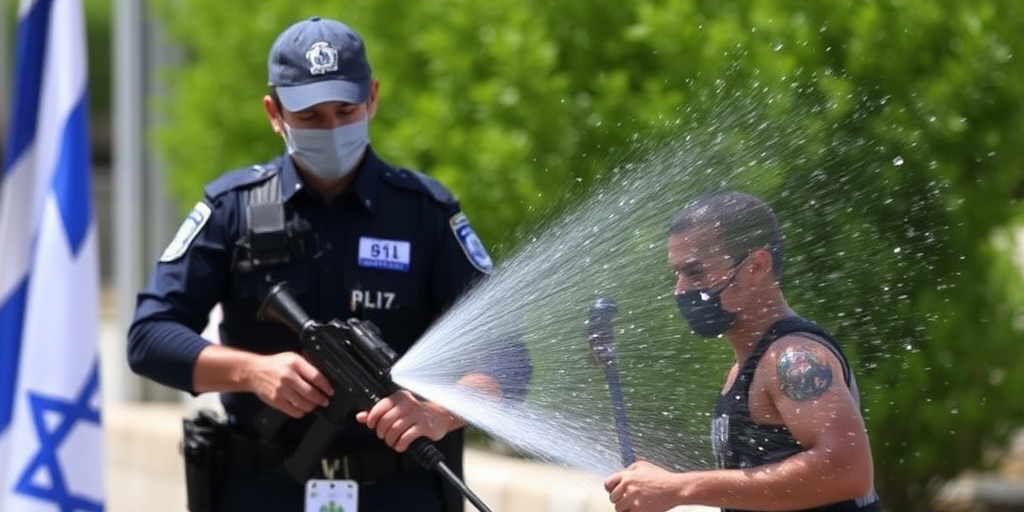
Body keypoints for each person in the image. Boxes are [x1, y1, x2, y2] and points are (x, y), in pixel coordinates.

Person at [128, 16, 528, 512]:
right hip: (261, 490)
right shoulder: (233, 208)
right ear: (274, 113)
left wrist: (435, 414)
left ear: (373, 98)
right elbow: (149, 338)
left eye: (345, 110)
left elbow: (509, 359)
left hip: (399, 490)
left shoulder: (424, 211)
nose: (333, 128)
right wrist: (253, 373)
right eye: (311, 116)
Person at [604, 191, 882, 512]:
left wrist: (681, 487)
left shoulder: (793, 357)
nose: (680, 289)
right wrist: (658, 487)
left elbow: (847, 471)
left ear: (757, 266)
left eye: (695, 272)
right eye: (676, 274)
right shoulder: (746, 367)